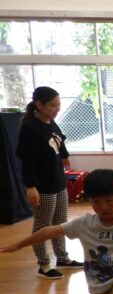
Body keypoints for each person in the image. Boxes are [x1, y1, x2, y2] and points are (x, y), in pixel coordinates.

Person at [15, 86, 82, 279]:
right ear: (39, 105)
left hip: (57, 180)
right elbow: (27, 161)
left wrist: (65, 154)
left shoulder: (51, 122)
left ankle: (62, 258)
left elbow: (59, 139)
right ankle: (43, 264)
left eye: (58, 105)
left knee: (60, 223)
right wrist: (31, 186)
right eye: (53, 105)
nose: (57, 109)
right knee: (42, 225)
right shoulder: (30, 128)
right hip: (42, 185)